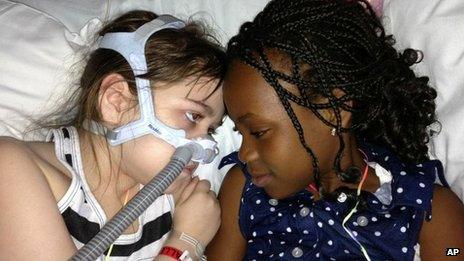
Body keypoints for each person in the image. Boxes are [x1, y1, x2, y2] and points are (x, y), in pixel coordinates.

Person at [205, 0, 464, 260]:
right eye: (240, 133)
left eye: (259, 132)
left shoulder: (424, 208)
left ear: (334, 111)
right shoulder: (244, 190)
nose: (244, 154)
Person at [0, 10, 227, 260]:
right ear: (116, 102)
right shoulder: (12, 167)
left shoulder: (180, 204)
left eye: (211, 130)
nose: (206, 146)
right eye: (193, 116)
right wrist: (185, 243)